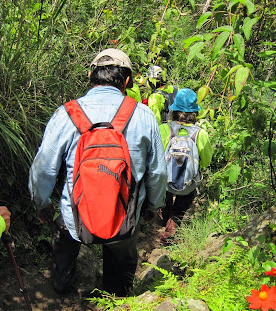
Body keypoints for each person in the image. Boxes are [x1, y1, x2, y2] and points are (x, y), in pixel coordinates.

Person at [28, 48, 167, 296]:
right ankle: (117, 297)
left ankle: (63, 287)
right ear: (127, 82)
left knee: (64, 234)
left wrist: (41, 203)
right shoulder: (144, 115)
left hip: (75, 218)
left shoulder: (66, 114)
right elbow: (157, 173)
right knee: (122, 254)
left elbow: (43, 169)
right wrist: (153, 207)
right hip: (124, 217)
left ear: (90, 75)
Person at [158, 88, 213, 244]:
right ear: (194, 112)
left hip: (165, 183)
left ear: (173, 110)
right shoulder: (200, 134)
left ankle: (165, 216)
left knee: (165, 193)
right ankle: (173, 224)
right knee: (184, 200)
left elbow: (157, 158)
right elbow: (206, 161)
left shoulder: (164, 129)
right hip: (188, 184)